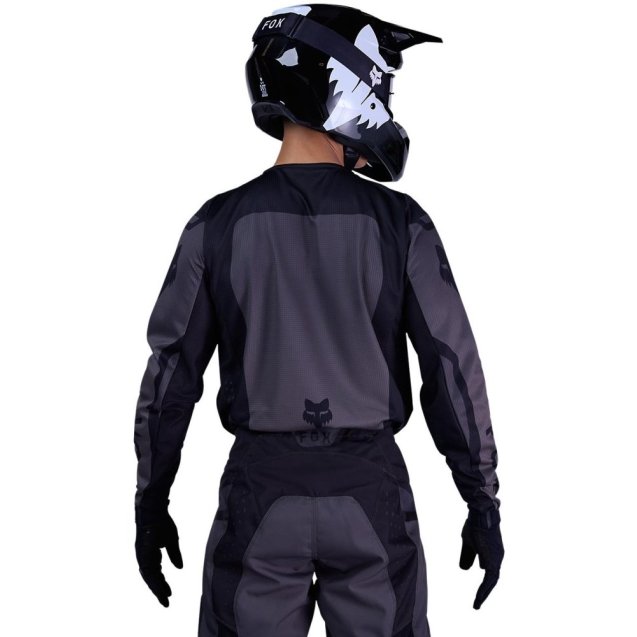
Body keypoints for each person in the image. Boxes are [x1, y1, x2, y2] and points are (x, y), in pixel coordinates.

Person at [133, 4, 504, 636]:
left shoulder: (216, 224)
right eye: (380, 85)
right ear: (343, 83)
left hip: (259, 491)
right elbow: (451, 366)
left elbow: (170, 380)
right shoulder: (402, 224)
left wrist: (151, 502)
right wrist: (481, 499)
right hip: (370, 492)